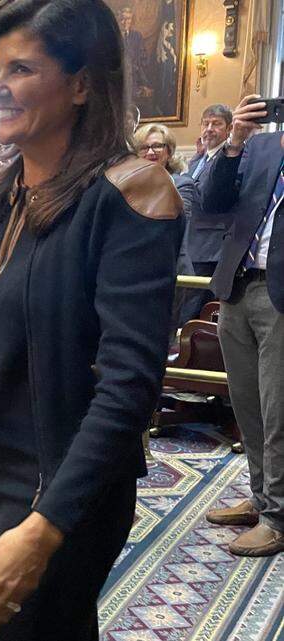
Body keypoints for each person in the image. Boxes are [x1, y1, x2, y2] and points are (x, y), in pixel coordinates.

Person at [0, 1, 183, 638]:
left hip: (69, 486)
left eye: (21, 69)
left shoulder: (131, 198)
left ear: (81, 84)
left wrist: (46, 528)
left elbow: (129, 386)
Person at [199, 93, 284, 557]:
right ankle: (261, 497)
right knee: (247, 403)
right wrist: (233, 144)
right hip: (239, 283)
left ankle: (278, 516)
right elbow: (212, 204)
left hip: (280, 294)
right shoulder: (261, 147)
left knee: (278, 410)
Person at [136, 124, 200, 331]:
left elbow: (173, 219)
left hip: (168, 270)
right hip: (133, 271)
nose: (150, 152)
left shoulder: (182, 184)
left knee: (161, 337)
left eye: (157, 146)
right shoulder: (128, 184)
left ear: (169, 151)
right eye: (144, 147)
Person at [185, 104, 234, 280]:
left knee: (198, 304)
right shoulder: (200, 158)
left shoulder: (230, 157)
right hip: (190, 242)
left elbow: (206, 194)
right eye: (205, 124)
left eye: (216, 124)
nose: (209, 129)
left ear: (230, 128)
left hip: (210, 247)